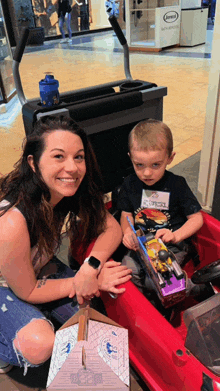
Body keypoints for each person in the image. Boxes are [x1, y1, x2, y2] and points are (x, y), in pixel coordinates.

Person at [0, 115, 132, 374]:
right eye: (58, 156)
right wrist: (80, 281)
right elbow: (27, 291)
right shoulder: (13, 221)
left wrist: (90, 268)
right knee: (39, 345)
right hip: (7, 282)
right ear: (34, 163)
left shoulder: (67, 190)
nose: (71, 168)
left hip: (35, 268)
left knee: (92, 311)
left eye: (78, 157)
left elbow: (112, 229)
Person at [117, 119, 214, 310]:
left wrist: (175, 235)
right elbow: (125, 214)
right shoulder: (129, 185)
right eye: (139, 165)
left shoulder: (177, 185)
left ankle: (198, 289)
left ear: (170, 158)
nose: (146, 173)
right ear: (130, 158)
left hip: (172, 245)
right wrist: (127, 232)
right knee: (126, 270)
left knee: (164, 277)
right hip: (143, 245)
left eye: (155, 165)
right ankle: (151, 303)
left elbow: (197, 219)